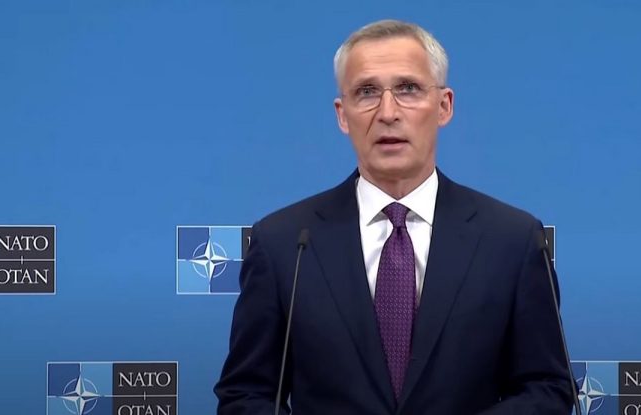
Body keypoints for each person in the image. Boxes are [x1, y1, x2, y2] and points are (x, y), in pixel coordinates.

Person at [215, 19, 575, 415]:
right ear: (342, 115)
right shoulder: (284, 243)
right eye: (366, 92)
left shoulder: (513, 239)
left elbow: (547, 390)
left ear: (444, 106)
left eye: (408, 89)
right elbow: (246, 396)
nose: (388, 112)